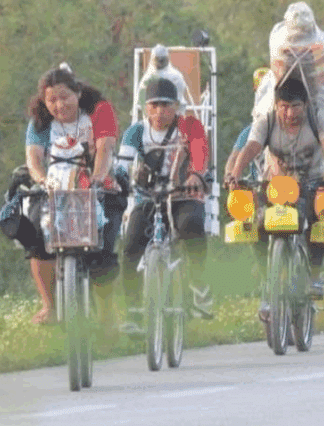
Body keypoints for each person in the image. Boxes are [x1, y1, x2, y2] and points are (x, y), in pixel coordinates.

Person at [225, 76, 324, 318]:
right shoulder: (266, 120)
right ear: (276, 105)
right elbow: (252, 147)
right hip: (275, 183)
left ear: (306, 104)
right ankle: (268, 283)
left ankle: (315, 276)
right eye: (284, 107)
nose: (289, 113)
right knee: (255, 224)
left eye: (295, 106)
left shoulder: (318, 116)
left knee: (318, 217)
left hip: (312, 180)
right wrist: (236, 173)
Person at [19, 64, 125, 326]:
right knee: (35, 235)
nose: (59, 105)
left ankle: (106, 315)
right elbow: (33, 160)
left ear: (78, 93)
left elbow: (105, 149)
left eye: (64, 97)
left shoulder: (99, 111)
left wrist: (98, 178)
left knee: (103, 248)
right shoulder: (40, 124)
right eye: (51, 100)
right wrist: (42, 181)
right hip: (55, 189)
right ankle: (50, 306)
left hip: (98, 185)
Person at [116, 78, 211, 318]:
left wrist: (196, 176)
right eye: (154, 105)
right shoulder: (136, 132)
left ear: (176, 106)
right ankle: (134, 308)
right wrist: (118, 179)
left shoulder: (190, 125)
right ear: (145, 108)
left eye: (166, 105)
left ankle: (199, 285)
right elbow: (123, 162)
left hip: (183, 195)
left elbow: (200, 153)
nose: (160, 111)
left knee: (191, 225)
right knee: (130, 245)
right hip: (148, 198)